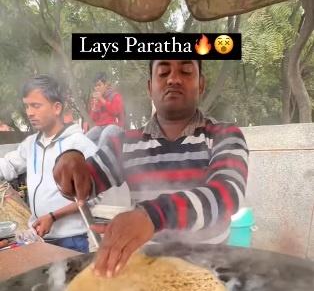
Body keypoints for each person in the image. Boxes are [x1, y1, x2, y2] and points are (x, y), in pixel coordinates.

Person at [54, 60, 249, 274]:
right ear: (150, 87)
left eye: (185, 72)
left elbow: (227, 194)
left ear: (201, 85)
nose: (173, 79)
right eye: (163, 72)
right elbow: (84, 183)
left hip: (212, 275)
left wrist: (152, 216)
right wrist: (68, 161)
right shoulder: (125, 143)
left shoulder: (225, 135)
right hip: (146, 278)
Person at [0, 75, 98, 253]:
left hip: (71, 240)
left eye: (36, 106)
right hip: (40, 237)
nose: (29, 112)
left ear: (56, 108)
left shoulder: (79, 144)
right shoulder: (30, 144)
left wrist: (53, 217)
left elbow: (93, 195)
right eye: (27, 106)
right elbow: (8, 166)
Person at [85, 72, 125, 147]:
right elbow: (94, 119)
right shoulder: (97, 99)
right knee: (85, 138)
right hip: (100, 127)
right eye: (95, 86)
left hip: (114, 126)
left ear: (106, 85)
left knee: (104, 136)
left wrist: (102, 100)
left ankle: (98, 157)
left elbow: (115, 112)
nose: (97, 88)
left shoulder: (115, 96)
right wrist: (94, 107)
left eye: (99, 85)